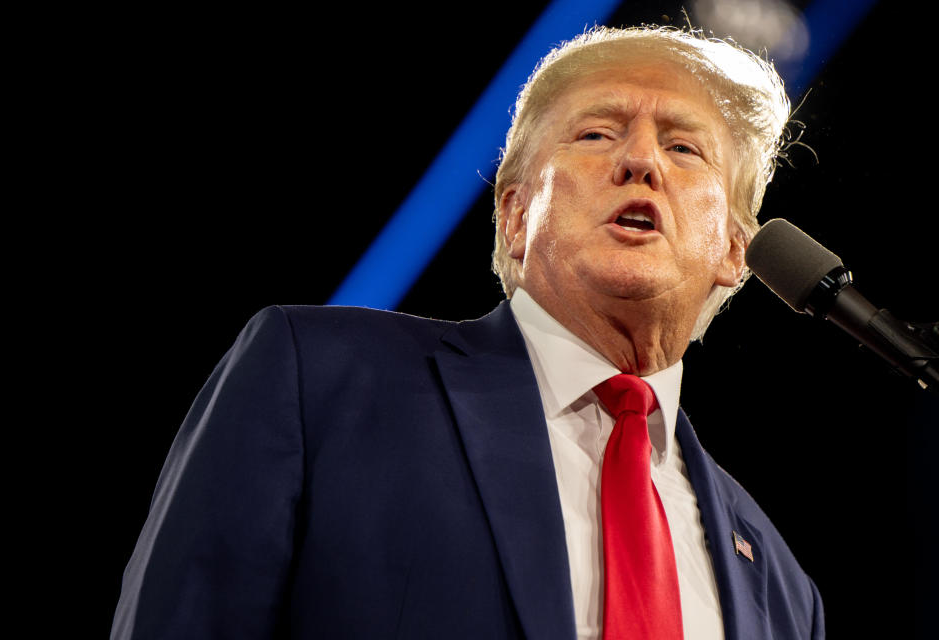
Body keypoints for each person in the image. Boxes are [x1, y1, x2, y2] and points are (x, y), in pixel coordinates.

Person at [112, 26, 824, 639]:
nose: (639, 161)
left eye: (684, 149)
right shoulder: (319, 380)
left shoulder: (782, 584)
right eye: (597, 133)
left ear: (735, 249)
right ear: (515, 215)